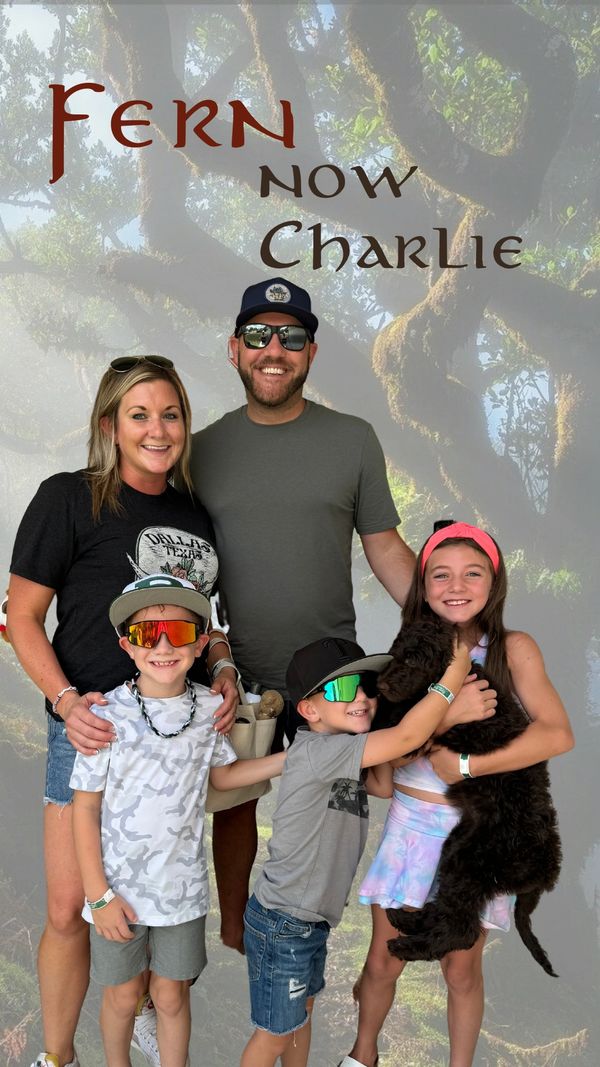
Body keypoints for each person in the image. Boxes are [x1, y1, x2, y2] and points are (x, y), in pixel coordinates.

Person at [8, 356, 238, 1067]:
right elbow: (22, 615)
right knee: (72, 905)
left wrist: (223, 665)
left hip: (172, 736)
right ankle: (56, 1056)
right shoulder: (67, 499)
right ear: (110, 423)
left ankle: (143, 1012)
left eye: (170, 413)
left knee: (161, 895)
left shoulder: (196, 515)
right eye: (139, 413)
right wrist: (66, 699)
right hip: (91, 726)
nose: (157, 428)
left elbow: (212, 620)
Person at [191, 276, 416, 952]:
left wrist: (456, 623)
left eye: (291, 337)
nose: (274, 349)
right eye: (259, 335)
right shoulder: (200, 451)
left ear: (310, 352)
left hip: (332, 671)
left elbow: (385, 549)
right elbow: (185, 573)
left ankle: (304, 932)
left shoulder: (353, 440)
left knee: (329, 804)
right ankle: (235, 933)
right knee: (233, 806)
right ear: (234, 349)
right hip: (241, 671)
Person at [341, 522, 574, 1067]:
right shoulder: (407, 655)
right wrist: (448, 714)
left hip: (475, 834)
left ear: (494, 583)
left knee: (462, 967)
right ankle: (362, 1054)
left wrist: (467, 764)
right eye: (440, 574)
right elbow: (389, 751)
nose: (456, 585)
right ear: (422, 585)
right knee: (382, 960)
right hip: (410, 826)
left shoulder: (513, 649)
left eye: (473, 573)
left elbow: (556, 733)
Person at [70, 574, 286, 1067]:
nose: (164, 645)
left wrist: (288, 760)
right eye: (148, 635)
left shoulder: (211, 709)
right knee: (124, 998)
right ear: (127, 645)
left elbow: (224, 777)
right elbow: (85, 809)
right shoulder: (105, 714)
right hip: (116, 894)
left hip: (182, 892)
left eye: (180, 632)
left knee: (171, 997)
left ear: (201, 641)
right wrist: (98, 895)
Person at [240, 633, 472, 1067]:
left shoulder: (343, 754)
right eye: (343, 689)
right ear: (308, 710)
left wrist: (392, 737)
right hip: (285, 921)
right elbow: (406, 738)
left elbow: (383, 783)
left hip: (308, 921)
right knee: (273, 1035)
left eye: (367, 686)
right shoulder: (320, 751)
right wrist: (453, 677)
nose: (362, 697)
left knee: (299, 1019)